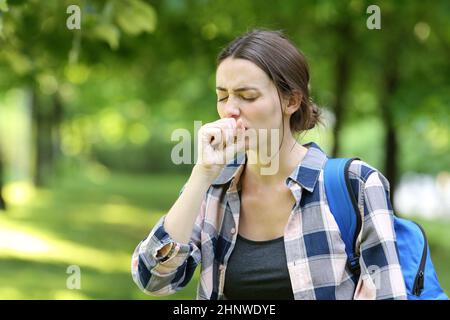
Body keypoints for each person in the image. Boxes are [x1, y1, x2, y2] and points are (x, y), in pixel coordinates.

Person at [131, 29, 407, 300]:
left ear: (291, 100)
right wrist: (201, 175)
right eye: (223, 96)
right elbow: (153, 279)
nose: (231, 109)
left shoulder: (357, 184)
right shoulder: (212, 188)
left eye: (248, 96)